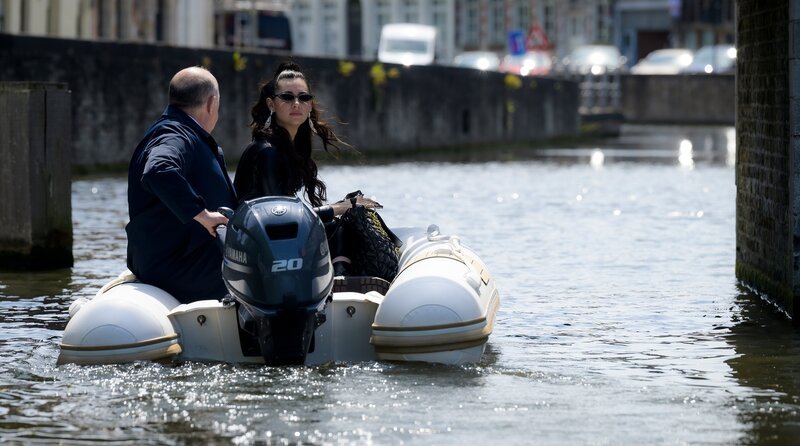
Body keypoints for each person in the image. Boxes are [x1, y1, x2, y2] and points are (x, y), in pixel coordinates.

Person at [234, 61, 381, 274]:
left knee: (346, 217)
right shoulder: (267, 152)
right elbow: (282, 218)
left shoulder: (289, 148)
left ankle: (342, 277)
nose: (296, 103)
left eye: (303, 97)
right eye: (287, 97)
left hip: (278, 239)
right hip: (262, 249)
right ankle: (341, 279)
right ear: (271, 104)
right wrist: (339, 208)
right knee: (342, 224)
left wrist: (341, 206)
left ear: (310, 106)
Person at [126, 66, 237, 303]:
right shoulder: (176, 134)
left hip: (178, 259)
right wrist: (202, 214)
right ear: (211, 103)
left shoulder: (177, 130)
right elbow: (158, 170)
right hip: (180, 267)